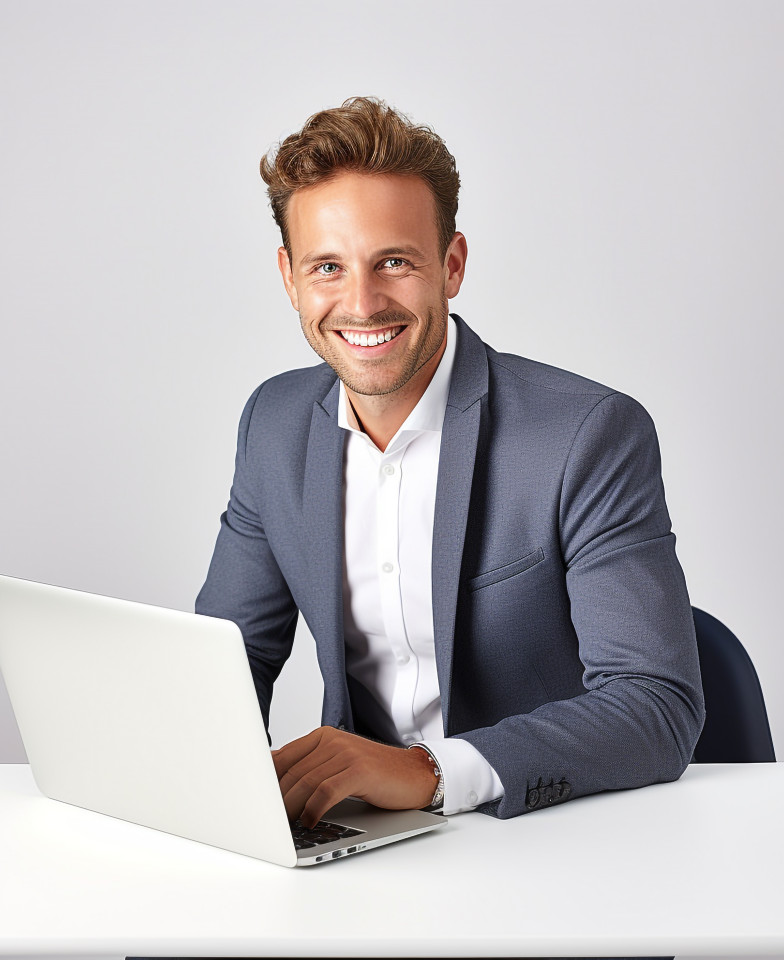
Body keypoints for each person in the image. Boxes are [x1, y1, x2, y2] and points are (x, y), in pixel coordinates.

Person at [196, 96, 705, 833]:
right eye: (327, 267)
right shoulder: (273, 425)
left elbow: (656, 704)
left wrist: (429, 771)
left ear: (452, 264)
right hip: (364, 837)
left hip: (551, 835)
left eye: (394, 262)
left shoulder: (585, 435)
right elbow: (224, 664)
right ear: (289, 277)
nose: (361, 303)